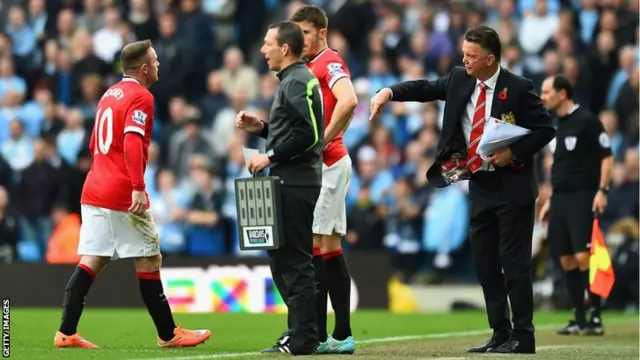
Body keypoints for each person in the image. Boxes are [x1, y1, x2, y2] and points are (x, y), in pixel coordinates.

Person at [370, 25, 555, 354]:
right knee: (485, 265)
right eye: (463, 54)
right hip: (479, 184)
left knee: (515, 265)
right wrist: (390, 92)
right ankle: (500, 331)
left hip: (513, 186)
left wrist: (513, 152)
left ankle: (523, 335)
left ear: (490, 58)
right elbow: (426, 87)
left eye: (471, 56)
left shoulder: (518, 88)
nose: (464, 60)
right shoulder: (459, 78)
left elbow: (545, 129)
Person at [53, 40, 211, 349]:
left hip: (94, 185)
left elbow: (93, 144)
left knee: (93, 259)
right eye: (155, 61)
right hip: (120, 189)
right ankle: (168, 334)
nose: (158, 65)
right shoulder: (141, 96)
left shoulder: (108, 94)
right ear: (143, 68)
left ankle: (66, 332)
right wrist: (138, 185)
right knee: (150, 258)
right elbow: (132, 142)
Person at [235, 21, 324, 355]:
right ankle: (299, 332)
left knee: (294, 261)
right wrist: (263, 129)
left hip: (295, 183)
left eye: (267, 43)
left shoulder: (298, 80)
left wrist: (269, 156)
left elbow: (309, 134)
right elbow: (295, 131)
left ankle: (303, 338)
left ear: (285, 48)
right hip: (288, 181)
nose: (262, 49)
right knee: (282, 259)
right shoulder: (292, 80)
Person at [289, 5, 358, 354]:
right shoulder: (306, 67)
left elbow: (349, 100)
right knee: (324, 246)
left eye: (304, 33)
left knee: (319, 246)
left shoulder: (329, 62)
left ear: (321, 33)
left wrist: (323, 140)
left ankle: (333, 334)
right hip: (324, 165)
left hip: (329, 164)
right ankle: (327, 335)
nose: (299, 40)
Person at [538, 75, 613, 336]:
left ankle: (595, 316)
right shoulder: (556, 125)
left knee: (584, 256)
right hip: (560, 198)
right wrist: (549, 200)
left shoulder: (587, 121)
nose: (543, 96)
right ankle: (578, 318)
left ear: (563, 94)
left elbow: (607, 157)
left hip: (583, 195)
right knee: (567, 259)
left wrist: (602, 191)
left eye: (547, 92)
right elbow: (560, 167)